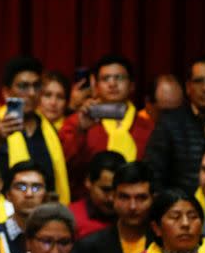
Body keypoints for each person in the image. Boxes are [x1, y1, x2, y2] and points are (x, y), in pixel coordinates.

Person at [0, 56, 70, 204]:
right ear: (6, 93)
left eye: (36, 86)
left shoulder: (50, 130)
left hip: (44, 214)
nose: (31, 93)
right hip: (2, 214)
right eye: (23, 86)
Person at [59, 55, 155, 199]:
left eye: (119, 78)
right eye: (105, 79)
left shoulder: (148, 126)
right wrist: (80, 130)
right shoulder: (78, 121)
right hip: (89, 205)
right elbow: (63, 168)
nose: (112, 84)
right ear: (95, 86)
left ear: (132, 85)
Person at [144, 57, 205, 194]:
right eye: (199, 81)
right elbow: (152, 176)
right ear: (188, 87)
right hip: (182, 209)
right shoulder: (169, 124)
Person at [76, 162, 155, 253]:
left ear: (153, 198)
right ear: (113, 197)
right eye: (124, 197)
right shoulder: (89, 247)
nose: (132, 206)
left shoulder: (164, 242)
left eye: (141, 198)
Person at [0, 161, 50, 253]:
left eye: (36, 187)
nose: (29, 194)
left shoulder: (57, 237)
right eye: (21, 187)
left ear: (46, 195)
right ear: (8, 195)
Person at [70, 150, 126, 240]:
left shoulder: (132, 217)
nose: (111, 198)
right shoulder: (70, 218)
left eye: (117, 191)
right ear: (88, 181)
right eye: (105, 190)